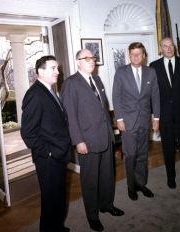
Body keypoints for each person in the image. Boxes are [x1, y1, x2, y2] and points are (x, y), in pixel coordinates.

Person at [60, 49, 124, 232]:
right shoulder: (71, 83)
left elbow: (103, 109)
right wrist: (78, 141)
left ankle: (107, 204)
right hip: (87, 141)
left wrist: (111, 132)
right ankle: (92, 216)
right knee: (90, 180)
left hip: (105, 137)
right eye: (86, 58)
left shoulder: (96, 80)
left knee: (107, 175)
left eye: (93, 58)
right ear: (78, 61)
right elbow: (70, 116)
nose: (91, 61)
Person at [20, 55, 71, 232]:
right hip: (48, 159)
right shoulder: (34, 94)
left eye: (57, 68)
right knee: (50, 200)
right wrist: (48, 152)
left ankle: (57, 227)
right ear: (40, 72)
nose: (58, 71)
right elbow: (28, 133)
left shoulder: (50, 90)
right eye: (53, 68)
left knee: (58, 197)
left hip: (59, 155)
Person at [112, 42, 160, 201]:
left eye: (139, 54)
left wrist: (156, 118)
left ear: (144, 55)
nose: (135, 57)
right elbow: (116, 97)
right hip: (127, 122)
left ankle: (141, 184)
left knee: (142, 155)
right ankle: (131, 186)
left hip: (144, 122)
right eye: (132, 54)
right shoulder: (121, 72)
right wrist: (119, 119)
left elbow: (155, 96)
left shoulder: (151, 72)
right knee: (130, 155)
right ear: (129, 55)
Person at [150, 37, 180, 190]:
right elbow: (153, 94)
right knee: (168, 149)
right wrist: (154, 115)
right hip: (165, 116)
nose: (169, 48)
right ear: (161, 49)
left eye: (171, 45)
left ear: (175, 47)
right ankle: (171, 178)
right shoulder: (154, 66)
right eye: (165, 46)